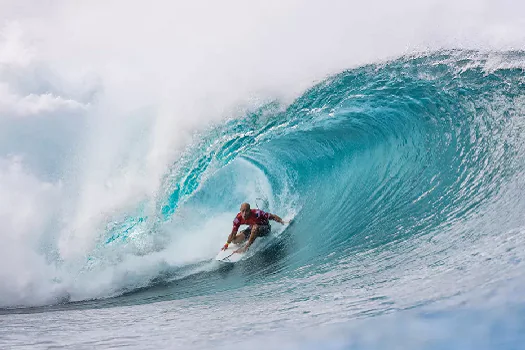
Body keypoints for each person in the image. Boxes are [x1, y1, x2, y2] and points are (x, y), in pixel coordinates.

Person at [221, 202, 287, 254]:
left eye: (246, 211)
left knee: (255, 227)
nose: (244, 214)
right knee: (234, 240)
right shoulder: (238, 219)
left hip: (265, 229)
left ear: (250, 210)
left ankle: (246, 247)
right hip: (252, 228)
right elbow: (232, 234)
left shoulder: (257, 213)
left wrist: (283, 222)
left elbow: (272, 216)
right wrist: (226, 244)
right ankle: (246, 236)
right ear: (240, 211)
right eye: (243, 211)